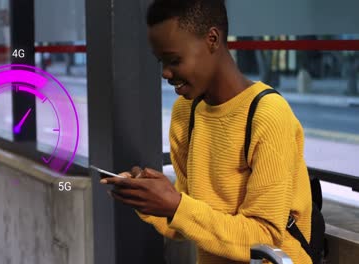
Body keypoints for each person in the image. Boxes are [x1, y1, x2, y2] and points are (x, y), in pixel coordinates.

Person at [99, 0, 313, 263]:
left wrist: (176, 204)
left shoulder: (267, 114)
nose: (165, 73)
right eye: (161, 62)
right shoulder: (185, 113)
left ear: (212, 39)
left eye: (174, 60)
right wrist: (152, 200)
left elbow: (264, 237)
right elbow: (187, 223)